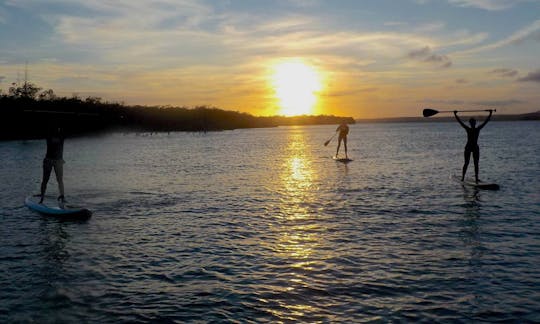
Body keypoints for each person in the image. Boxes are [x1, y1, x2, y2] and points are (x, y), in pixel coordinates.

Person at [454, 109, 493, 183]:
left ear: (475, 123)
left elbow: (486, 122)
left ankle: (476, 178)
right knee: (466, 163)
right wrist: (455, 115)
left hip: (475, 147)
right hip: (468, 147)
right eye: (471, 123)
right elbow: (460, 122)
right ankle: (462, 178)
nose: (473, 124)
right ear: (470, 123)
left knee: (476, 163)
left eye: (474, 122)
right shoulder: (468, 129)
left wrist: (490, 114)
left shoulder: (478, 129)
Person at [37, 126, 65, 204]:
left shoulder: (61, 137)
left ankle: (62, 197)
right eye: (56, 129)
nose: (58, 130)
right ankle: (42, 198)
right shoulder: (49, 136)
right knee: (45, 180)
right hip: (48, 160)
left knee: (60, 180)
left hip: (58, 161)